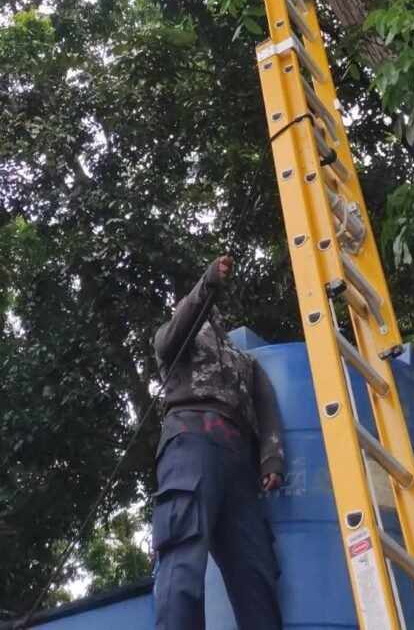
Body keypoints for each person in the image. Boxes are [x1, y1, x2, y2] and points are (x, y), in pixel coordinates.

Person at [152, 254, 284, 630]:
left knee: (256, 569)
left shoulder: (243, 358)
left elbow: (265, 403)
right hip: (192, 440)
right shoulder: (176, 335)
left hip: (240, 462)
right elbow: (172, 337)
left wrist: (271, 459)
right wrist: (206, 285)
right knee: (183, 553)